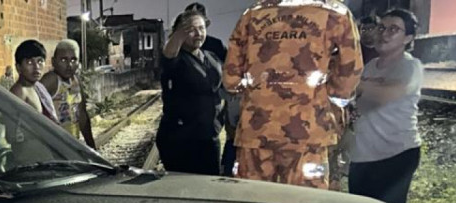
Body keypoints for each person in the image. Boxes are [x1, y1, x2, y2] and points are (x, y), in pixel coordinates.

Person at [222, 0, 364, 189]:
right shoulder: (335, 13)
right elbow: (350, 71)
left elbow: (231, 79)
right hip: (309, 131)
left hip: (257, 128)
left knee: (252, 201)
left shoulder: (254, 12)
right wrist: (328, 97)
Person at [348, 9, 423, 203]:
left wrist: (353, 83)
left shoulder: (410, 67)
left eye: (394, 29)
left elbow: (386, 96)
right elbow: (361, 103)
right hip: (363, 155)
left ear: (408, 38)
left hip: (396, 153)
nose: (384, 33)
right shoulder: (371, 66)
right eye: (382, 27)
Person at [156, 10, 224, 175]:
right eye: (191, 30)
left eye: (201, 28)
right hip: (180, 139)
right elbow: (168, 55)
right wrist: (179, 34)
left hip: (209, 136)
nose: (198, 34)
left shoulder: (212, 57)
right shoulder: (176, 59)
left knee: (209, 186)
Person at [184, 2, 235, 175]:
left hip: (212, 108)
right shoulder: (175, 48)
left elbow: (230, 69)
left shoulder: (215, 45)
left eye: (199, 25)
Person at [41, 40, 97, 148]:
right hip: (54, 147)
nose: (69, 65)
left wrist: (92, 147)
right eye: (63, 60)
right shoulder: (51, 80)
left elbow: (82, 116)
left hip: (72, 145)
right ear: (53, 62)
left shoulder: (76, 80)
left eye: (73, 59)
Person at [10, 39, 57, 122]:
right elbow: (11, 127)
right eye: (29, 62)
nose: (36, 67)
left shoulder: (38, 87)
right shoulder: (19, 92)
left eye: (40, 61)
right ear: (18, 67)